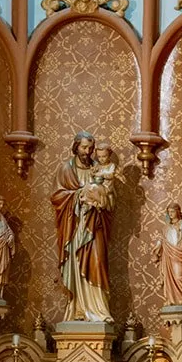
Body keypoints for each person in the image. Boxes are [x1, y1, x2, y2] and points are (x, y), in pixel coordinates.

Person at [50, 131, 114, 323]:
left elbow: (111, 200)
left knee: (97, 262)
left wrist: (102, 199)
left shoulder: (99, 169)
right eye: (84, 147)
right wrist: (80, 195)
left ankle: (99, 310)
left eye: (91, 148)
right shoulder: (66, 170)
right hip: (75, 227)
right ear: (76, 147)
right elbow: (56, 197)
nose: (88, 151)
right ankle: (78, 309)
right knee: (77, 265)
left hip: (95, 227)